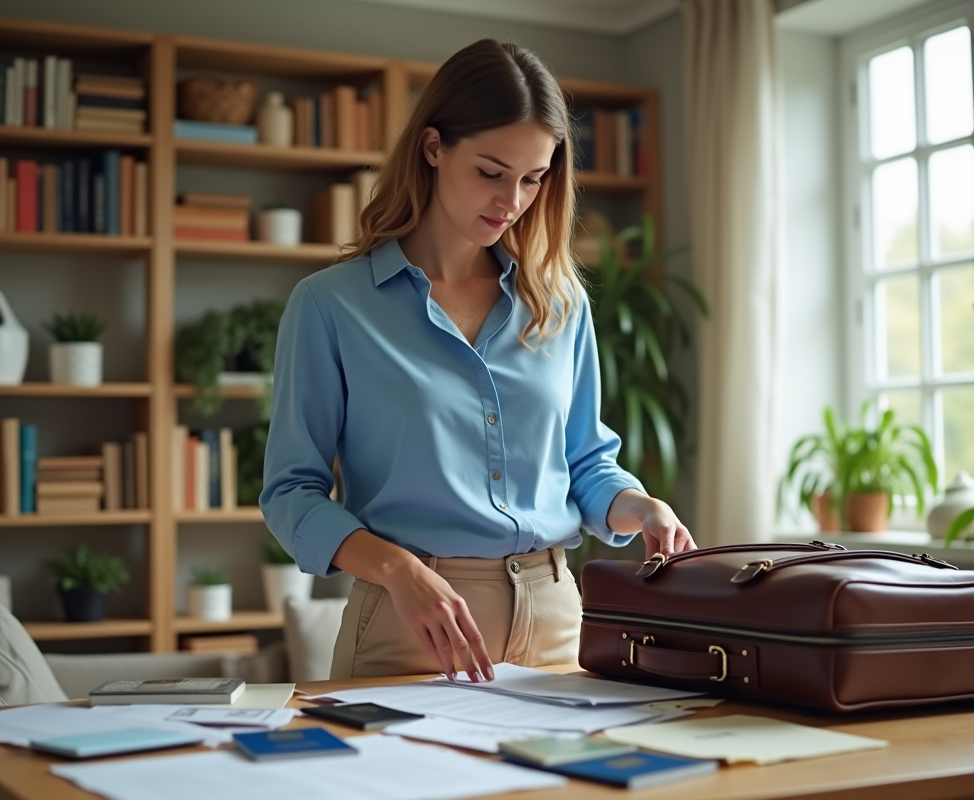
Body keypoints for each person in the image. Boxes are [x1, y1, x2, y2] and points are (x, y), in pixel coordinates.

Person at [260, 38, 695, 684]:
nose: (512, 200)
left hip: (557, 619)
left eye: (532, 178)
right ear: (434, 148)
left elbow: (584, 464)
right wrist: (399, 570)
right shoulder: (330, 306)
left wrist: (640, 507)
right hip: (413, 623)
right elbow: (291, 494)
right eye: (491, 173)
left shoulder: (561, 304)